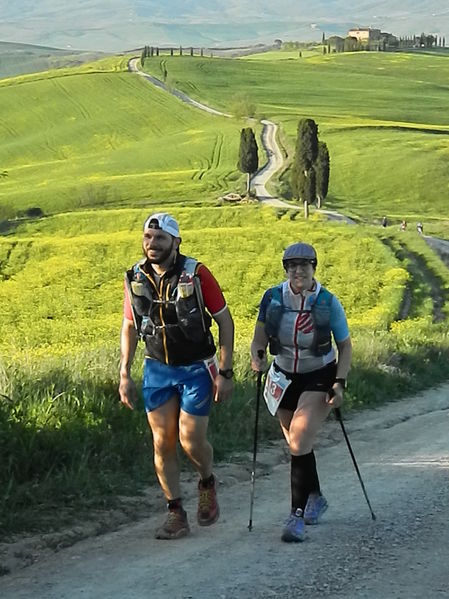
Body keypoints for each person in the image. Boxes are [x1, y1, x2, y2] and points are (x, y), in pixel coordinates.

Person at [119, 212, 234, 540]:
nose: (152, 244)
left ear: (176, 242)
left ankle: (207, 481)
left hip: (197, 368)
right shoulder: (136, 276)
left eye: (159, 239)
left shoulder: (197, 274)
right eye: (147, 238)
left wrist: (225, 371)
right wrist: (124, 372)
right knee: (162, 441)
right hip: (157, 367)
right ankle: (175, 511)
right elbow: (129, 324)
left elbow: (225, 321)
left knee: (190, 440)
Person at [250, 242, 352, 543]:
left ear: (313, 268)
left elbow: (345, 346)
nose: (298, 270)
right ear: (286, 269)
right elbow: (260, 336)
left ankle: (295, 516)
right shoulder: (272, 298)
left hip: (319, 374)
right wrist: (257, 355)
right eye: (292, 265)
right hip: (282, 376)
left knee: (299, 438)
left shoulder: (327, 302)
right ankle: (316, 497)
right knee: (299, 445)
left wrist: (340, 382)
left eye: (304, 265)